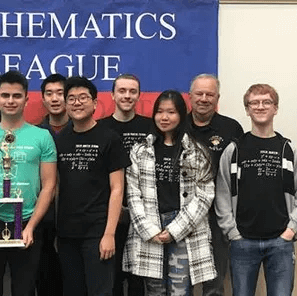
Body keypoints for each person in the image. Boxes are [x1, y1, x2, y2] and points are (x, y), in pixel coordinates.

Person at [0, 70, 57, 296]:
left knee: (25, 290)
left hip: (27, 221)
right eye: (5, 95)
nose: (10, 101)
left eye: (17, 96)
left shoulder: (43, 137)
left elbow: (49, 185)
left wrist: (31, 226)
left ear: (27, 99)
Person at [215, 84, 297, 296]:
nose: (260, 107)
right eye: (254, 103)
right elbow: (222, 195)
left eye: (266, 102)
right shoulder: (234, 151)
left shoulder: (289, 150)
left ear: (275, 108)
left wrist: (289, 232)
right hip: (242, 242)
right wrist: (232, 232)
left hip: (281, 242)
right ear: (247, 109)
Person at [123, 90, 216, 295]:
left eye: (171, 112)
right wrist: (149, 230)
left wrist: (175, 230)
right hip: (151, 227)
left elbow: (204, 196)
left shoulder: (196, 151)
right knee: (154, 291)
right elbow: (133, 195)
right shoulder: (140, 151)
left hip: (184, 228)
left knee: (180, 290)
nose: (164, 117)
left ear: (181, 115)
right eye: (160, 112)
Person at [56, 76, 130, 296]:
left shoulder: (109, 138)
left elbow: (117, 189)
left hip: (98, 231)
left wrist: (109, 234)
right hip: (67, 233)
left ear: (95, 103)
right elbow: (57, 186)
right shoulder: (60, 139)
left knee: (101, 291)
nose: (77, 103)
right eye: (71, 99)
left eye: (83, 98)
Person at [187, 73, 243, 296]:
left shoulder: (232, 129)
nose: (204, 98)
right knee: (181, 282)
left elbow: (240, 176)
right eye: (199, 93)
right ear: (189, 96)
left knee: (214, 283)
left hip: (217, 217)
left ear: (217, 97)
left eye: (209, 94)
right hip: (181, 215)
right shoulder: (176, 124)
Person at [98, 74, 151, 296]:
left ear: (139, 95)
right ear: (112, 95)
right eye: (122, 91)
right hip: (109, 214)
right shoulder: (100, 128)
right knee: (112, 278)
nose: (127, 96)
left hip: (144, 214)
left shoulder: (151, 128)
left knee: (139, 280)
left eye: (132, 91)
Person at [36, 73, 68, 296]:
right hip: (42, 219)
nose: (55, 98)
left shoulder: (82, 131)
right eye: (49, 94)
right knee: (45, 280)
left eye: (60, 93)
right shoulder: (35, 134)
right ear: (43, 99)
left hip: (76, 219)